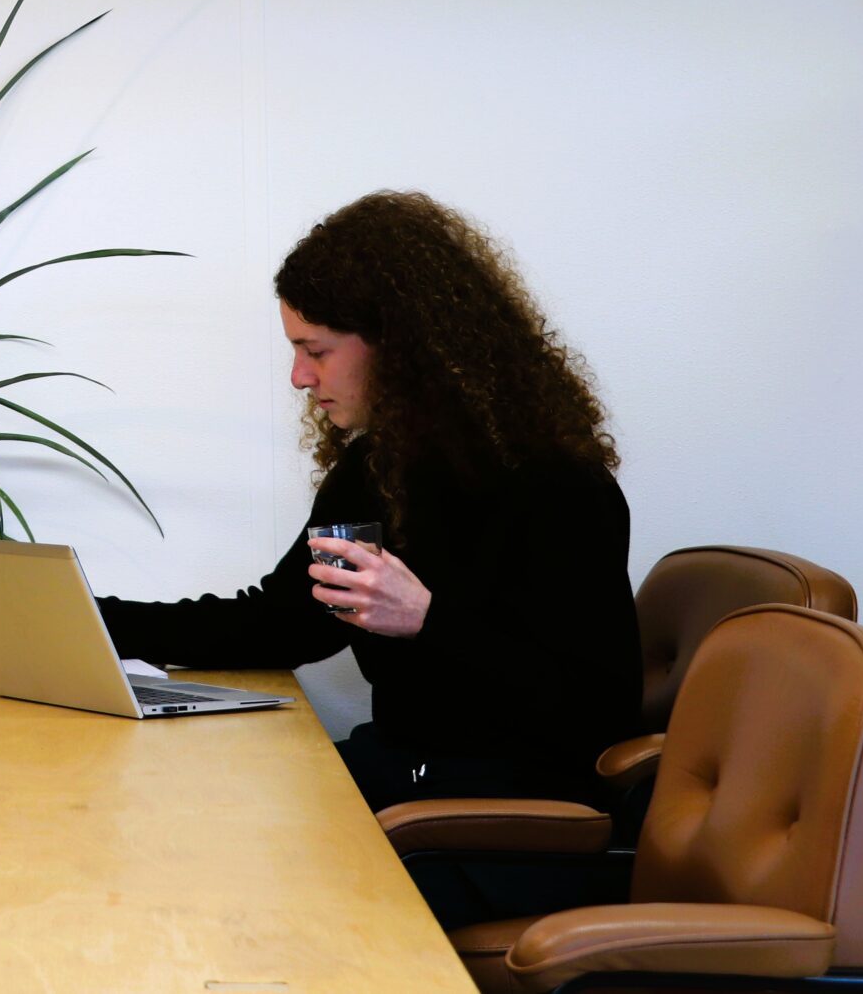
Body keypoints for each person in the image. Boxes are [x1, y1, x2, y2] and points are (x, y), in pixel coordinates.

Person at [98, 191, 640, 813]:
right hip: (404, 773)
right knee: (198, 800)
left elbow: (597, 713)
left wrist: (428, 619)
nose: (300, 377)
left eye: (316, 350)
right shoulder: (376, 467)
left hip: (502, 814)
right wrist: (90, 622)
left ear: (398, 344)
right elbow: (279, 624)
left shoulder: (558, 483)